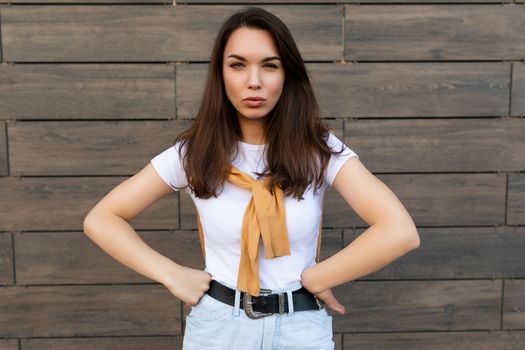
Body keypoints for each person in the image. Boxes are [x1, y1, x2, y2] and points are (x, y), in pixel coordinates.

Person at [83, 6, 420, 350]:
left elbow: (399, 231)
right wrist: (170, 273)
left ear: (287, 74)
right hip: (217, 328)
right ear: (221, 73)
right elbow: (102, 219)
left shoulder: (317, 149)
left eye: (269, 66)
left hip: (300, 328)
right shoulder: (195, 152)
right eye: (238, 65)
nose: (253, 81)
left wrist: (320, 277)